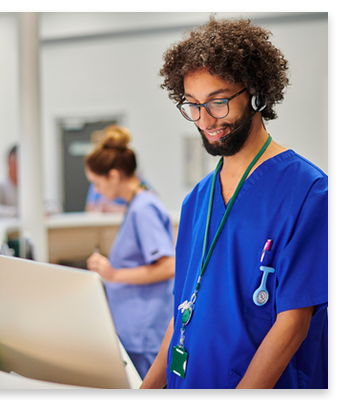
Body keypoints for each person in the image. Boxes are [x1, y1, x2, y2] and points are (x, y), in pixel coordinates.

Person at [141, 16, 328, 389]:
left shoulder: (309, 192)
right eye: (192, 105)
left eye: (218, 102)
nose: (205, 119)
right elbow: (182, 312)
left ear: (257, 93)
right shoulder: (198, 200)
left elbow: (292, 325)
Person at [84, 124, 175, 379]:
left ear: (113, 176)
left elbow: (169, 266)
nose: (97, 191)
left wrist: (113, 275)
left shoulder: (143, 208)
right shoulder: (136, 204)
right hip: (134, 328)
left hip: (145, 332)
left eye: (96, 183)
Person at [0, 145, 63, 218]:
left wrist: (43, 212)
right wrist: (22, 213)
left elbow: (55, 207)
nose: (26, 167)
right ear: (10, 161)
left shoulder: (30, 185)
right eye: (22, 161)